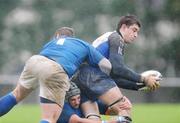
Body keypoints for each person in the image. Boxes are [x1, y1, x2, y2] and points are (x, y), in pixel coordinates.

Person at [0, 27, 112, 123]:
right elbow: (106, 65)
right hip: (56, 69)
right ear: (72, 37)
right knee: (49, 118)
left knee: (16, 94)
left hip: (35, 61)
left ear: (57, 36)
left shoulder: (51, 43)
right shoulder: (82, 44)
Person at [74, 15, 160, 123]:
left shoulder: (108, 38)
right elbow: (118, 68)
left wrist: (138, 86)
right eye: (134, 30)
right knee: (125, 110)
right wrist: (144, 79)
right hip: (93, 76)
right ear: (123, 27)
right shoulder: (116, 38)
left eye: (137, 32)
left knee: (93, 119)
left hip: (81, 79)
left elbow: (114, 77)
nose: (136, 35)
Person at [57, 82, 123, 123]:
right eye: (73, 100)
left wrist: (120, 108)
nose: (77, 102)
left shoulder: (84, 102)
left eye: (78, 98)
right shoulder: (63, 108)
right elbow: (78, 121)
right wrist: (107, 122)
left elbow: (108, 111)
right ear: (66, 100)